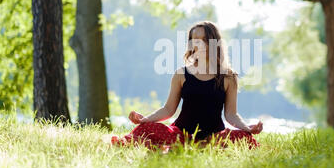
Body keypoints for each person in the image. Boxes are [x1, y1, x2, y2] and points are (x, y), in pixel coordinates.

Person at [111, 21, 263, 151]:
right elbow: (168, 109)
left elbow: (231, 114)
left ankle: (201, 147)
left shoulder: (229, 77)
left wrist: (247, 128)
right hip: (181, 134)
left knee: (243, 137)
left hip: (213, 136)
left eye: (205, 39)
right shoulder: (181, 74)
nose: (200, 44)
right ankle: (136, 143)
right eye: (195, 39)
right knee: (146, 128)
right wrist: (145, 119)